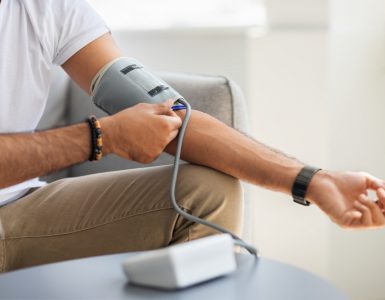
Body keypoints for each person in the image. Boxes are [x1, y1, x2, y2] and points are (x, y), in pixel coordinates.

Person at [0, 0, 384, 272]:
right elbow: (108, 134)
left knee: (207, 190)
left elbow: (170, 115)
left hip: (16, 209)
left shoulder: (47, 8)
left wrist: (315, 181)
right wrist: (99, 137)